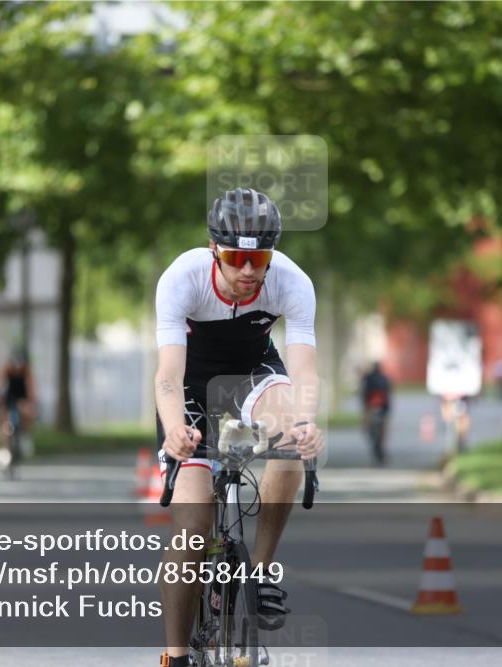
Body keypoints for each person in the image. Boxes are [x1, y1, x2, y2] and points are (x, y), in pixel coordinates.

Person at [155, 188, 324, 667]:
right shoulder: (182, 278)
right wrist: (174, 429)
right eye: (235, 257)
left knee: (291, 441)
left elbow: (304, 369)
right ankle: (176, 655)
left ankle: (262, 571)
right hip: (190, 387)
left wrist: (306, 421)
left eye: (259, 259)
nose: (248, 270)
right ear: (214, 249)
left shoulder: (292, 281)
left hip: (253, 374)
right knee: (192, 527)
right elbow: (167, 375)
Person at [0, 346, 39, 468]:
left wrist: (31, 402)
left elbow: (32, 389)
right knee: (4, 421)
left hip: (23, 396)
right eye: (15, 365)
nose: (17, 368)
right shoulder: (6, 369)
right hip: (10, 397)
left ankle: (26, 435)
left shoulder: (27, 372)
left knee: (27, 412)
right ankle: (4, 450)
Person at [361, 361, 391, 465]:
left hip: (370, 406)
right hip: (383, 407)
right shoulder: (385, 378)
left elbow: (364, 394)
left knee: (370, 425)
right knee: (383, 426)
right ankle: (381, 444)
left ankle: (375, 439)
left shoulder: (368, 378)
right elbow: (388, 394)